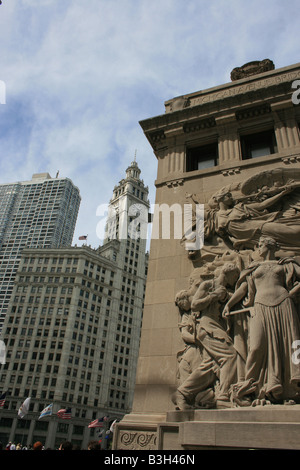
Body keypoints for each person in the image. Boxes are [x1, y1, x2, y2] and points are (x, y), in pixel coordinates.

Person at [223, 236, 300, 404]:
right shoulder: (254, 267)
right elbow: (244, 289)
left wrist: (290, 294)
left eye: (261, 245)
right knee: (256, 346)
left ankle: (291, 382)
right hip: (260, 306)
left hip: (283, 305)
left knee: (292, 343)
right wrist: (229, 304)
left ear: (269, 246)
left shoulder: (285, 264)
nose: (258, 248)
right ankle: (250, 385)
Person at [174, 263, 242, 409]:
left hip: (216, 325)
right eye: (235, 276)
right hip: (207, 326)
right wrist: (212, 296)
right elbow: (195, 305)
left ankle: (182, 393)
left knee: (211, 366)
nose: (235, 280)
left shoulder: (225, 291)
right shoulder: (207, 285)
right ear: (227, 273)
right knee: (229, 356)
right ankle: (223, 396)